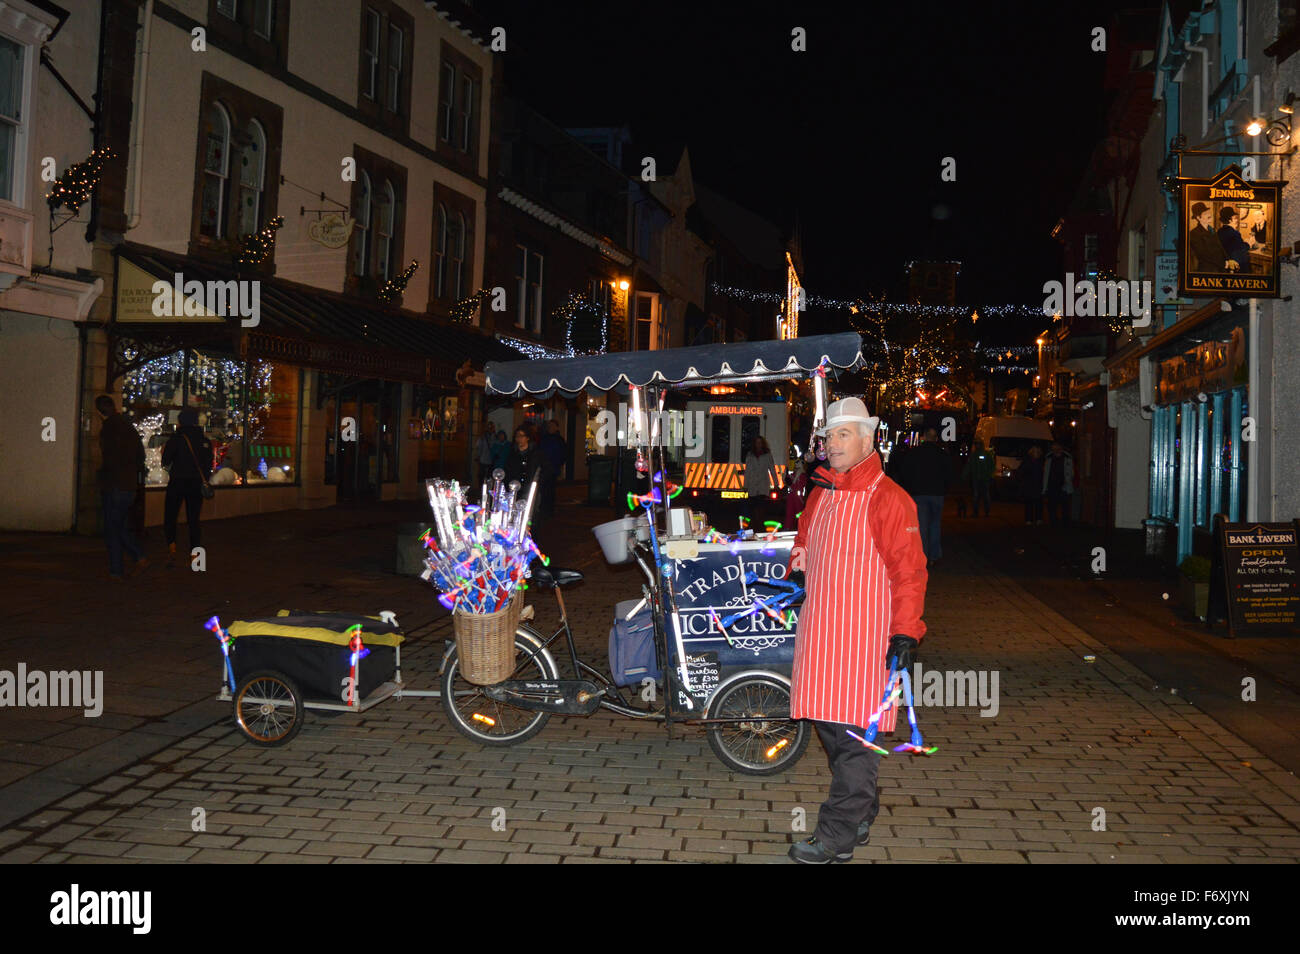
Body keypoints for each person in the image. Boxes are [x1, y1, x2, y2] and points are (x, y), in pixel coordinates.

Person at [786, 397, 928, 863]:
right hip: (822, 636)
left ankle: (836, 836)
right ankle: (860, 810)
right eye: (829, 436)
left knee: (853, 744)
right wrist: (797, 566)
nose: (833, 443)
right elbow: (805, 540)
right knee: (831, 731)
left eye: (843, 434)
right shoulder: (820, 493)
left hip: (865, 642)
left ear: (868, 441)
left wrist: (905, 634)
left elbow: (909, 572)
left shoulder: (890, 498)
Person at [96, 395, 147, 580]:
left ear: (99, 412)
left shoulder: (108, 429)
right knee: (121, 525)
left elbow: (108, 459)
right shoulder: (128, 427)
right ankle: (136, 556)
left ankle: (119, 567)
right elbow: (140, 456)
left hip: (114, 484)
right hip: (128, 484)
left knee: (113, 528)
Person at [160, 408, 213, 567]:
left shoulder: (176, 439)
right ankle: (197, 560)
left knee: (170, 517)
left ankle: (172, 550)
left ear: (181, 422)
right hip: (196, 484)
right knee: (194, 520)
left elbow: (165, 461)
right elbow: (208, 464)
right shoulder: (204, 440)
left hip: (177, 482)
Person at [898, 427, 950, 565]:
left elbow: (904, 472)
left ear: (924, 437)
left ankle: (924, 556)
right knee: (935, 524)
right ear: (936, 439)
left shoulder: (914, 453)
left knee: (922, 526)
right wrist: (945, 489)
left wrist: (909, 488)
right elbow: (949, 474)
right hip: (937, 494)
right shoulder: (942, 454)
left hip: (919, 494)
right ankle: (934, 555)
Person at [742, 434, 778, 527]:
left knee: (761, 507)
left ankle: (760, 525)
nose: (758, 444)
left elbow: (772, 470)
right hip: (752, 485)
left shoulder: (767, 455)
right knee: (753, 508)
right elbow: (748, 471)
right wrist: (745, 485)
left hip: (763, 485)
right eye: (757, 442)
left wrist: (776, 484)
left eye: (760, 443)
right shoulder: (750, 455)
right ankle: (754, 526)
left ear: (762, 444)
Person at [1189, 202, 1230, 272]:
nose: (1209, 215)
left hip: (1220, 268)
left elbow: (1220, 247)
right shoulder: (1194, 233)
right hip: (1208, 270)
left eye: (1208, 212)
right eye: (1205, 214)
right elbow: (1204, 255)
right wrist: (1223, 263)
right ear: (1198, 217)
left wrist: (1228, 260)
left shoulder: (1212, 230)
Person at [539, 419, 567, 517]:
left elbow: (563, 454)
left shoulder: (559, 440)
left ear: (556, 427)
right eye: (549, 426)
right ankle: (543, 508)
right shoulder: (544, 438)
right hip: (544, 468)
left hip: (553, 468)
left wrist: (558, 464)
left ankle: (549, 509)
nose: (550, 428)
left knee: (550, 489)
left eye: (552, 426)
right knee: (543, 489)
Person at [1042, 441, 1074, 526]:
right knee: (1052, 505)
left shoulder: (1067, 457)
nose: (1056, 449)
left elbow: (1071, 472)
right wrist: (1045, 487)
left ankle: (1065, 522)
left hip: (1064, 485)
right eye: (1054, 447)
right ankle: (1053, 522)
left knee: (1065, 505)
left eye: (1057, 447)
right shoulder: (1049, 458)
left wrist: (1069, 482)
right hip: (1051, 485)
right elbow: (1046, 473)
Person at [962, 439, 994, 517]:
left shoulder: (987, 454)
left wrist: (989, 476)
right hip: (976, 479)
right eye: (976, 444)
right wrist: (964, 476)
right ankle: (976, 512)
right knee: (976, 496)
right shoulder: (973, 455)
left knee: (986, 496)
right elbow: (969, 466)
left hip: (984, 479)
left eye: (978, 444)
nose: (977, 445)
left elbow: (992, 466)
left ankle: (987, 512)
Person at [1217, 207, 1252, 273]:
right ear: (1230, 220)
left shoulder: (1220, 231)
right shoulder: (1234, 233)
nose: (1237, 220)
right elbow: (1242, 248)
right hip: (1236, 266)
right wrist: (1249, 244)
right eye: (1235, 218)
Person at [1019, 444, 1045, 525]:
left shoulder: (1042, 461)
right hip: (1029, 485)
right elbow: (1021, 471)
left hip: (1038, 485)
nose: (1035, 453)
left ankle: (1039, 519)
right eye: (1034, 451)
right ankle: (1028, 519)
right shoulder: (1027, 460)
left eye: (1037, 451)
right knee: (1029, 503)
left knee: (1038, 503)